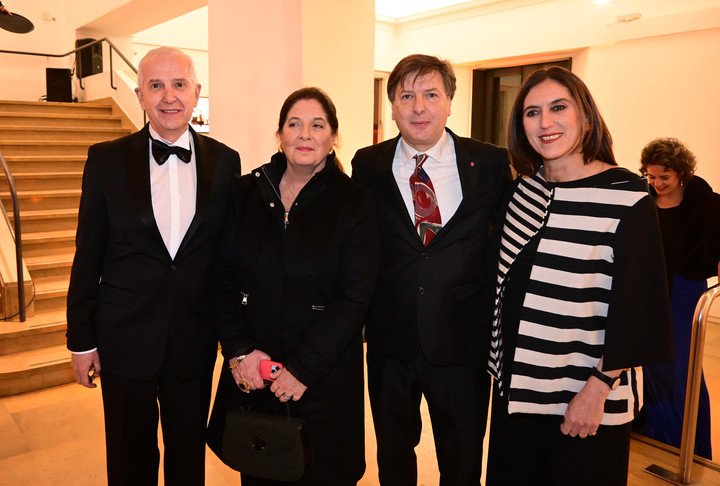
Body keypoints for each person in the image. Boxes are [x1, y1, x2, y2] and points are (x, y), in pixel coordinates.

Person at [485, 66, 674, 485]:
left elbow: (640, 309)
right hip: (516, 395)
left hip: (583, 399)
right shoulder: (523, 191)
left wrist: (597, 389)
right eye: (531, 113)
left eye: (558, 107)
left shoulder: (627, 196)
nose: (545, 122)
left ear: (585, 116)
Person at [66, 47, 241, 486]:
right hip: (123, 337)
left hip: (194, 338)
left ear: (197, 93)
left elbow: (229, 257)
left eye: (179, 85)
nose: (169, 96)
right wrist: (81, 339)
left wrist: (237, 334)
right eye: (156, 85)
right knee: (128, 459)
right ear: (140, 94)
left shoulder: (226, 161)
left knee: (187, 458)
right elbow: (87, 253)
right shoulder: (105, 159)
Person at [351, 54, 512, 485]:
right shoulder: (367, 164)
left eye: (430, 95)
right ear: (392, 106)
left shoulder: (491, 163)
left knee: (461, 458)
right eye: (406, 96)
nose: (418, 107)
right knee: (393, 454)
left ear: (449, 102)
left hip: (463, 342)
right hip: (390, 340)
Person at [206, 87, 379, 485]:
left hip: (324, 380)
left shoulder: (354, 202)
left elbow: (355, 298)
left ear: (333, 137)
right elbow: (221, 279)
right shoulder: (246, 193)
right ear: (279, 134)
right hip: (256, 373)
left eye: (317, 125)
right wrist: (239, 351)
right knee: (260, 471)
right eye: (294, 124)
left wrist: (302, 370)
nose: (305, 134)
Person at [636, 137, 720, 459]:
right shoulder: (643, 201)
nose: (656, 183)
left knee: (682, 368)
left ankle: (688, 446)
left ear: (681, 174)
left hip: (685, 293)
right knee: (653, 366)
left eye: (664, 178)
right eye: (651, 176)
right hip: (650, 291)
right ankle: (657, 436)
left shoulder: (705, 203)